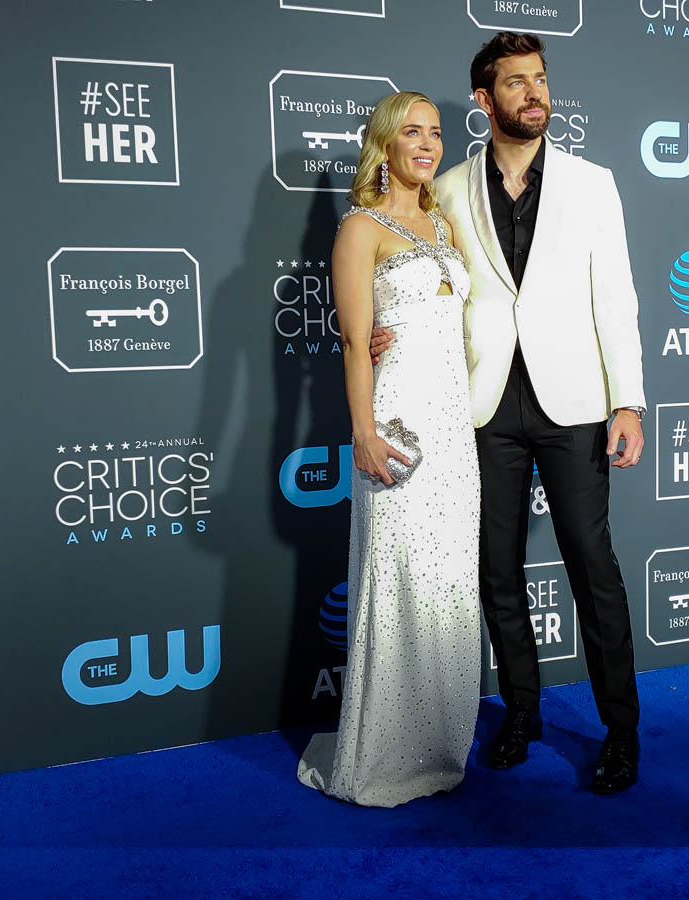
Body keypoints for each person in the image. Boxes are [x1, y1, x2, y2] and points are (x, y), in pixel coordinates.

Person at [373, 33, 648, 794]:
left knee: (592, 564)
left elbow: (616, 298)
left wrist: (627, 400)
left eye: (540, 79)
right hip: (482, 403)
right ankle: (522, 712)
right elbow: (404, 263)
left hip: (575, 402)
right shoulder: (447, 188)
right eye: (517, 82)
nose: (535, 94)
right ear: (484, 99)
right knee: (497, 569)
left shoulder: (593, 184)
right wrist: (372, 326)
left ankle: (622, 732)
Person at [297, 91, 482, 807]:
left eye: (435, 132)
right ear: (385, 143)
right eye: (412, 132)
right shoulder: (359, 228)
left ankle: (436, 743)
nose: (428, 144)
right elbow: (354, 342)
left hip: (453, 425)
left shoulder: (445, 224)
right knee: (398, 576)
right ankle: (381, 756)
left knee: (446, 583)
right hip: (397, 420)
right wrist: (363, 433)